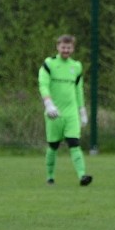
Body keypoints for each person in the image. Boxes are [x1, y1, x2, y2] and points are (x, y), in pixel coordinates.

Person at [38, 34, 91, 186]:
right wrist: (48, 103)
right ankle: (50, 177)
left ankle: (82, 175)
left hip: (71, 112)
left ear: (73, 49)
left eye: (69, 48)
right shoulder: (49, 64)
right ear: (58, 47)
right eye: (63, 47)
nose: (66, 50)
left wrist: (82, 110)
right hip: (54, 112)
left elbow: (78, 90)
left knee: (74, 142)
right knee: (53, 145)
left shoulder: (76, 66)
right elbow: (43, 84)